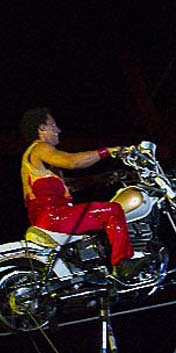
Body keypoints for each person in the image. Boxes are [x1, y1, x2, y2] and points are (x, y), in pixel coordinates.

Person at [19, 107, 137, 276]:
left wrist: (101, 178)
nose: (59, 130)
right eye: (54, 125)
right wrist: (108, 151)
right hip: (54, 217)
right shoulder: (40, 148)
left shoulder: (41, 162)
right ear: (42, 128)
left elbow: (69, 187)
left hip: (49, 217)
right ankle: (122, 264)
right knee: (113, 210)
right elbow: (72, 161)